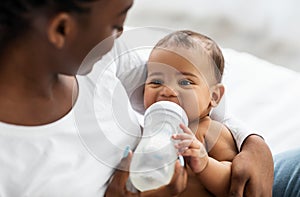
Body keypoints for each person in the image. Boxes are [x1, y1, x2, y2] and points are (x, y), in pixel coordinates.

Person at [0, 0, 293, 196]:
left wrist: (253, 143)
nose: (121, 35)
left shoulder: (99, 62)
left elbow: (190, 90)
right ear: (61, 29)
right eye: (115, 25)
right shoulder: (12, 161)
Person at [143, 30, 238, 196]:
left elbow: (235, 183)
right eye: (156, 81)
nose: (168, 91)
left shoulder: (209, 131)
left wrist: (205, 164)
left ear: (214, 96)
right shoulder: (145, 134)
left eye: (185, 82)